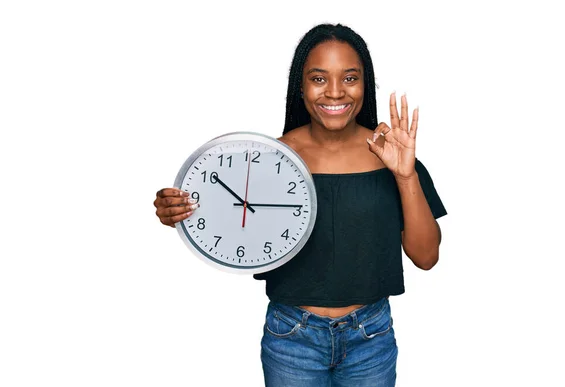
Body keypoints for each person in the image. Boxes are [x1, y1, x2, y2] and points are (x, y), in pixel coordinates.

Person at [153, 23, 447, 387]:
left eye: (350, 77)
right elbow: (228, 211)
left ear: (365, 84)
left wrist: (405, 176)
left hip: (370, 337)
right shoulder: (268, 158)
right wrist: (180, 211)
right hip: (292, 337)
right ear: (301, 86)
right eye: (319, 79)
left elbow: (426, 257)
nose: (336, 91)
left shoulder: (393, 157)